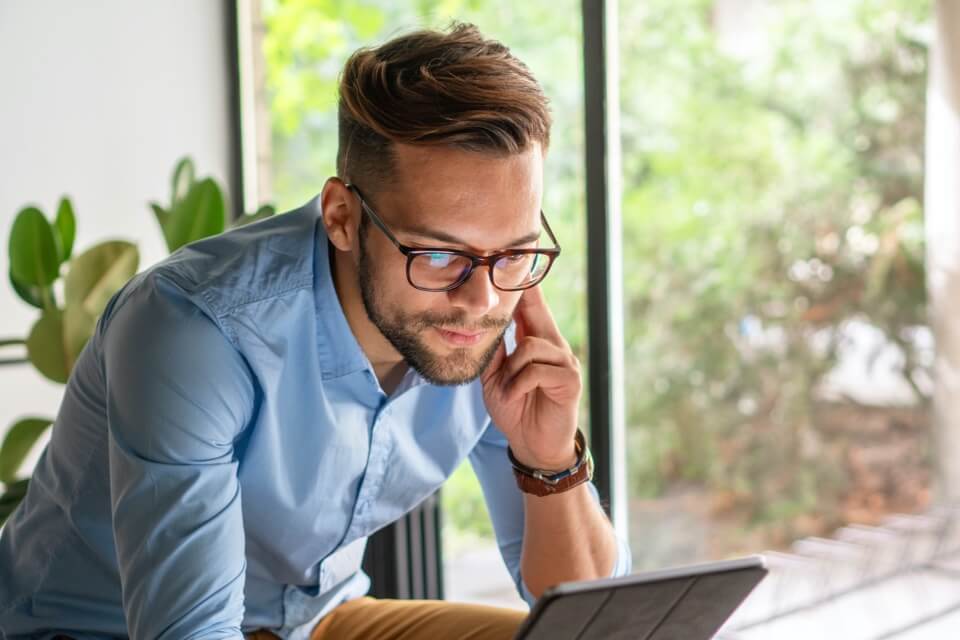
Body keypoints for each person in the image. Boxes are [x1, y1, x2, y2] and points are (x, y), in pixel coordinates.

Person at [0, 23, 631, 640]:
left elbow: (589, 619)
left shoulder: (493, 312)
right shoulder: (194, 329)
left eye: (514, 253)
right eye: (438, 255)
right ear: (342, 217)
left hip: (317, 620)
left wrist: (550, 461)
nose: (481, 298)